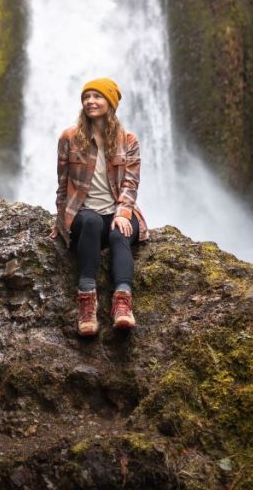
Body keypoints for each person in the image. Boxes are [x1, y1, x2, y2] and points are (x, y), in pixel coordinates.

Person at [49, 77, 149, 336]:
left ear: (111, 102)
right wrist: (61, 221)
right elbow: (62, 184)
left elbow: (130, 183)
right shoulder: (69, 138)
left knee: (121, 233)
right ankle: (86, 301)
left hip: (117, 213)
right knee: (91, 221)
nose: (90, 101)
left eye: (97, 96)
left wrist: (124, 213)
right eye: (86, 97)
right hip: (84, 216)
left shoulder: (128, 140)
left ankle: (122, 303)